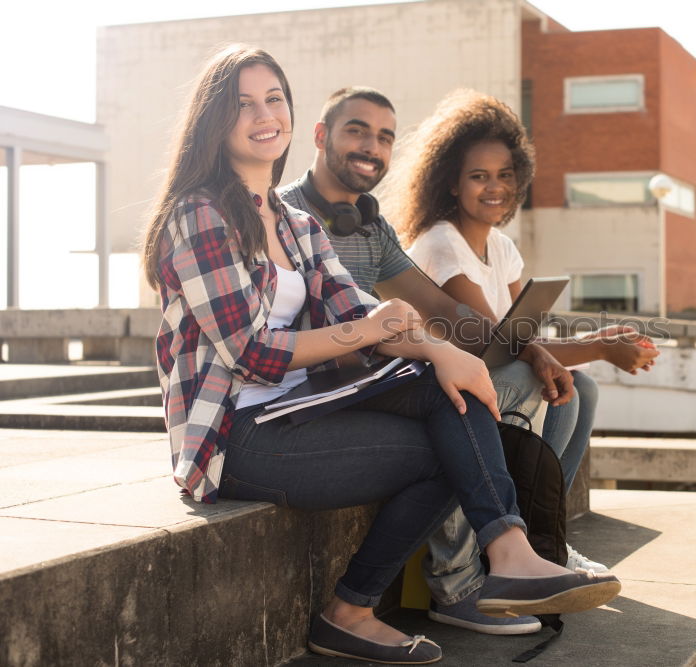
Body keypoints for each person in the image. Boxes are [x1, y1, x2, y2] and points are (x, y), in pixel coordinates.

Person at [140, 45, 620, 665]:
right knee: (451, 443)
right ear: (214, 120)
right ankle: (365, 605)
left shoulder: (293, 225)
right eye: (243, 104)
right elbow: (253, 353)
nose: (265, 114)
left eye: (275, 98)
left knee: (451, 391)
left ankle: (505, 553)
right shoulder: (199, 214)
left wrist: (440, 353)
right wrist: (375, 332)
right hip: (233, 433)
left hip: (303, 407)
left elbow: (355, 311)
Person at [279, 87, 657, 635]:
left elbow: (439, 307)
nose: (372, 145)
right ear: (320, 136)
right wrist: (531, 353)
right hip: (319, 390)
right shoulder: (283, 215)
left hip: (376, 376)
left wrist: (531, 346)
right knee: (482, 388)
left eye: (385, 136)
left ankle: (523, 552)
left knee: (515, 379)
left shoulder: (368, 223)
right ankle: (460, 585)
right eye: (356, 130)